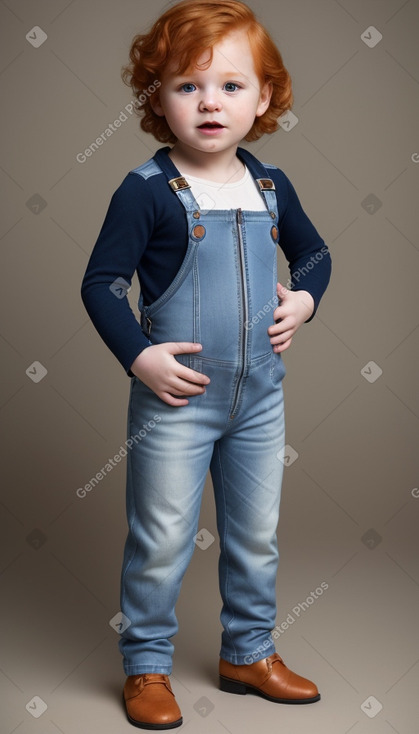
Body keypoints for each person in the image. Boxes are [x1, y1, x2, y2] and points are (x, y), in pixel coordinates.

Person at [81, 0, 332, 728]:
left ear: (264, 98)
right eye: (187, 86)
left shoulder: (271, 185)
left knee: (256, 535)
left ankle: (248, 653)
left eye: (229, 85)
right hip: (176, 403)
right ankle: (146, 667)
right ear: (156, 99)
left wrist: (306, 302)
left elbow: (313, 255)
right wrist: (139, 357)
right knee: (160, 538)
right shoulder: (146, 191)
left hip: (259, 401)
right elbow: (100, 284)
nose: (210, 102)